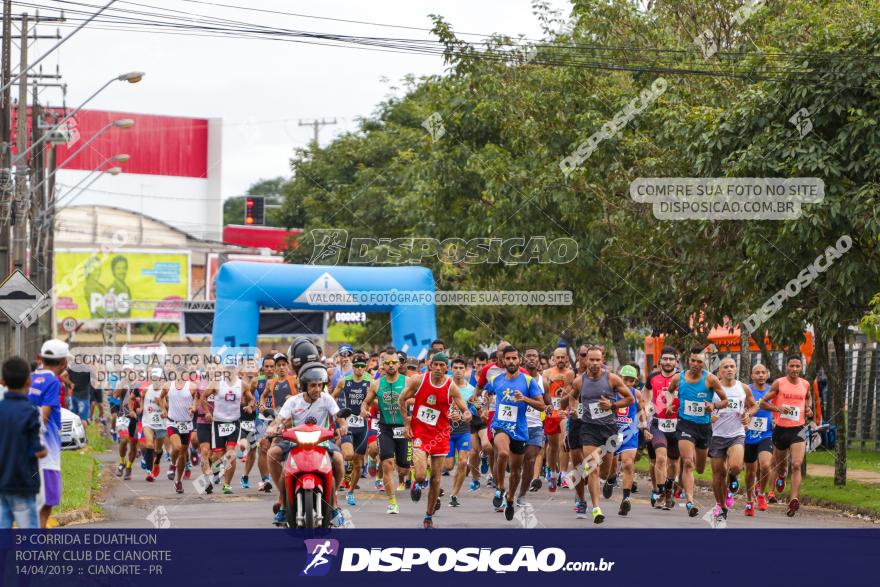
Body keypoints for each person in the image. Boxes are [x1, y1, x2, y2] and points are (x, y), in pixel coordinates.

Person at [267, 366, 347, 526]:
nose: (317, 389)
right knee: (272, 454)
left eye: (320, 385)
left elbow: (339, 417)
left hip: (322, 442)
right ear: (304, 386)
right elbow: (279, 419)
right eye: (312, 385)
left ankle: (334, 503)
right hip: (295, 442)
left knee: (338, 458)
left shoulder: (327, 399)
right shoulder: (293, 401)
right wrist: (272, 427)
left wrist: (343, 425)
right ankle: (283, 502)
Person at [562, 346, 634, 523]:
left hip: (609, 429)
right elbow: (572, 397)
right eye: (591, 360)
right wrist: (573, 409)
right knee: (592, 468)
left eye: (597, 360)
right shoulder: (580, 381)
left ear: (602, 361)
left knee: (604, 472)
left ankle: (610, 478)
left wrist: (612, 406)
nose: (594, 363)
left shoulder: (612, 379)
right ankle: (596, 508)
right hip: (589, 429)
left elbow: (630, 399)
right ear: (585, 360)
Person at [400, 352, 472, 528]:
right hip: (419, 433)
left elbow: (464, 409)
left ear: (446, 368)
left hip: (440, 435)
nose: (438, 368)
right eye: (435, 365)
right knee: (421, 474)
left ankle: (428, 517)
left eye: (442, 365)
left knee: (436, 479)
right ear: (430, 365)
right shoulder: (418, 380)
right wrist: (407, 424)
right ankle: (417, 484)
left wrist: (466, 415)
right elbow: (401, 399)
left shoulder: (451, 386)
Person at [666, 348, 728, 518]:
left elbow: (725, 401)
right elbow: (669, 391)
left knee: (699, 467)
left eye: (699, 362)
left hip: (703, 428)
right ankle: (690, 502)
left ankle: (688, 486)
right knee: (687, 463)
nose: (695, 364)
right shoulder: (679, 378)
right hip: (685, 425)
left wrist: (713, 406)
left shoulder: (710, 379)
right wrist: (671, 404)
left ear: (704, 363)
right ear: (688, 360)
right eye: (693, 360)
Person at [486, 346, 545, 521]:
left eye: (514, 358)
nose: (511, 362)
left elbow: (541, 405)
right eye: (508, 359)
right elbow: (486, 393)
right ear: (503, 361)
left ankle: (510, 498)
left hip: (519, 429)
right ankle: (500, 487)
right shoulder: (496, 379)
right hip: (500, 425)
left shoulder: (528, 382)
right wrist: (482, 406)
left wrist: (524, 399)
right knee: (502, 452)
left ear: (519, 360)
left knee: (516, 470)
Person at [759, 354, 813, 517]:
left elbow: (808, 398)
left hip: (799, 429)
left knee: (796, 464)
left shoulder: (805, 384)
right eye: (792, 366)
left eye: (798, 366)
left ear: (801, 367)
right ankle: (781, 477)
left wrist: (808, 408)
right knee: (780, 466)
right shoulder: (779, 383)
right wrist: (777, 409)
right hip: (781, 429)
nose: (795, 369)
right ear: (787, 367)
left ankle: (793, 500)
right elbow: (762, 402)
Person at [359, 352, 410, 514]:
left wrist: (410, 403)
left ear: (399, 364)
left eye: (394, 362)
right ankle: (392, 502)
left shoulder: (407, 382)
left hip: (403, 429)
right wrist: (363, 410)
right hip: (385, 428)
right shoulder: (376, 384)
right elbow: (365, 402)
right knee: (387, 463)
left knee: (403, 470)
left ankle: (402, 473)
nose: (391, 365)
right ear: (383, 365)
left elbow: (419, 398)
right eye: (387, 362)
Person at [0, 357, 46, 529]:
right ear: (29, 380)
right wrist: (43, 451)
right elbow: (37, 449)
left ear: (2, 381)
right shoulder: (31, 411)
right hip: (23, 481)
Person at [708, 358, 756, 522]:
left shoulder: (743, 388)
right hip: (717, 435)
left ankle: (734, 478)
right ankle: (720, 506)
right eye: (725, 367)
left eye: (732, 366)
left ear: (736, 369)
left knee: (735, 466)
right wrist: (710, 416)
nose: (729, 369)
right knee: (718, 474)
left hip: (736, 433)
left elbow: (754, 405)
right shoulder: (713, 388)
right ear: (720, 371)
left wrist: (748, 415)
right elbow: (704, 408)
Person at [600, 365, 644, 516]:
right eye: (625, 379)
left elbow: (640, 411)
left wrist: (645, 427)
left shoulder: (636, 394)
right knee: (610, 468)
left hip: (630, 433)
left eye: (631, 381)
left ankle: (626, 499)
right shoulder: (609, 392)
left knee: (628, 463)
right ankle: (611, 479)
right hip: (612, 433)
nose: (628, 383)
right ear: (619, 378)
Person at [203, 365, 254, 495]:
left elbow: (252, 400)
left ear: (237, 371)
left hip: (234, 423)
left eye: (232, 370)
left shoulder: (242, 385)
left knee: (230, 454)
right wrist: (207, 412)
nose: (229, 373)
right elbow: (203, 397)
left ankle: (227, 485)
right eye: (227, 371)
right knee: (216, 456)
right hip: (218, 423)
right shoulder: (216, 383)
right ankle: (214, 473)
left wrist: (250, 406)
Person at [332, 351, 371, 506]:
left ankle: (350, 492)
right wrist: (339, 416)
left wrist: (367, 410)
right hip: (347, 424)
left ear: (366, 367)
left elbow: (375, 402)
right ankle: (338, 476)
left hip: (362, 426)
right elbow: (332, 398)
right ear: (352, 366)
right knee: (348, 455)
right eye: (357, 366)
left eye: (362, 366)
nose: (359, 369)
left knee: (358, 463)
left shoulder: (370, 382)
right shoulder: (344, 381)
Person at [644, 347, 681, 510]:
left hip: (678, 424)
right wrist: (645, 424)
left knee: (674, 463)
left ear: (676, 361)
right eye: (665, 359)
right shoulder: (652, 377)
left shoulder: (683, 378)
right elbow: (646, 401)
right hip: (658, 423)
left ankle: (669, 491)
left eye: (671, 359)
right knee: (660, 458)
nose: (668, 362)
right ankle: (659, 493)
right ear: (660, 361)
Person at [542, 347, 574, 493]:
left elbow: (570, 393)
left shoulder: (570, 373)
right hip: (551, 411)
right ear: (553, 359)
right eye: (558, 357)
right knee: (552, 446)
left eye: (563, 357)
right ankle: (552, 472)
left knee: (564, 442)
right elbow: (546, 394)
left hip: (564, 411)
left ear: (567, 358)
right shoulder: (547, 373)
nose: (560, 360)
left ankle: (563, 473)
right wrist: (549, 407)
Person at [160, 367, 197, 493]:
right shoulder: (168, 385)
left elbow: (197, 399)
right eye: (178, 373)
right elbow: (161, 397)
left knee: (183, 455)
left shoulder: (191, 386)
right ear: (174, 374)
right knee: (177, 448)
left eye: (183, 373)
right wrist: (163, 409)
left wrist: (193, 407)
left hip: (187, 424)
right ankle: (172, 464)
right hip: (173, 422)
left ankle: (178, 481)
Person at [744, 363, 774, 516]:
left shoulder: (772, 391)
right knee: (750, 471)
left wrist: (775, 419)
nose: (761, 375)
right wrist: (744, 419)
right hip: (749, 435)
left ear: (767, 375)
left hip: (766, 434)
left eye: (763, 372)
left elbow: (778, 408)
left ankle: (761, 494)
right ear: (752, 375)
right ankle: (750, 500)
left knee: (766, 465)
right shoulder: (747, 390)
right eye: (757, 373)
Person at [446, 357, 475, 506]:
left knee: (463, 462)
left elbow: (472, 415)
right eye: (455, 367)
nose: (458, 370)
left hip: (463, 429)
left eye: (461, 368)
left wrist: (465, 415)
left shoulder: (470, 390)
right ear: (451, 369)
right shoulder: (444, 386)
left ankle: (454, 495)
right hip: (446, 431)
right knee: (448, 466)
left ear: (465, 370)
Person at [519, 346, 545, 501]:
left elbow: (548, 404)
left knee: (530, 459)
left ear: (539, 360)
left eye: (534, 356)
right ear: (523, 359)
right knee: (516, 463)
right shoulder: (516, 378)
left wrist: (550, 410)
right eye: (528, 356)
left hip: (535, 425)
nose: (531, 358)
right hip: (517, 425)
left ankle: (521, 494)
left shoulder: (544, 381)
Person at [139, 368, 168, 483]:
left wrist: (160, 403)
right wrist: (141, 407)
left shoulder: (164, 391)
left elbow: (166, 408)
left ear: (161, 379)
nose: (156, 380)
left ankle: (156, 463)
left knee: (158, 449)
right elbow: (141, 397)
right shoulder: (146, 390)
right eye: (154, 378)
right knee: (149, 445)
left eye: (158, 378)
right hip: (148, 422)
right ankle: (149, 472)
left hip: (161, 424)